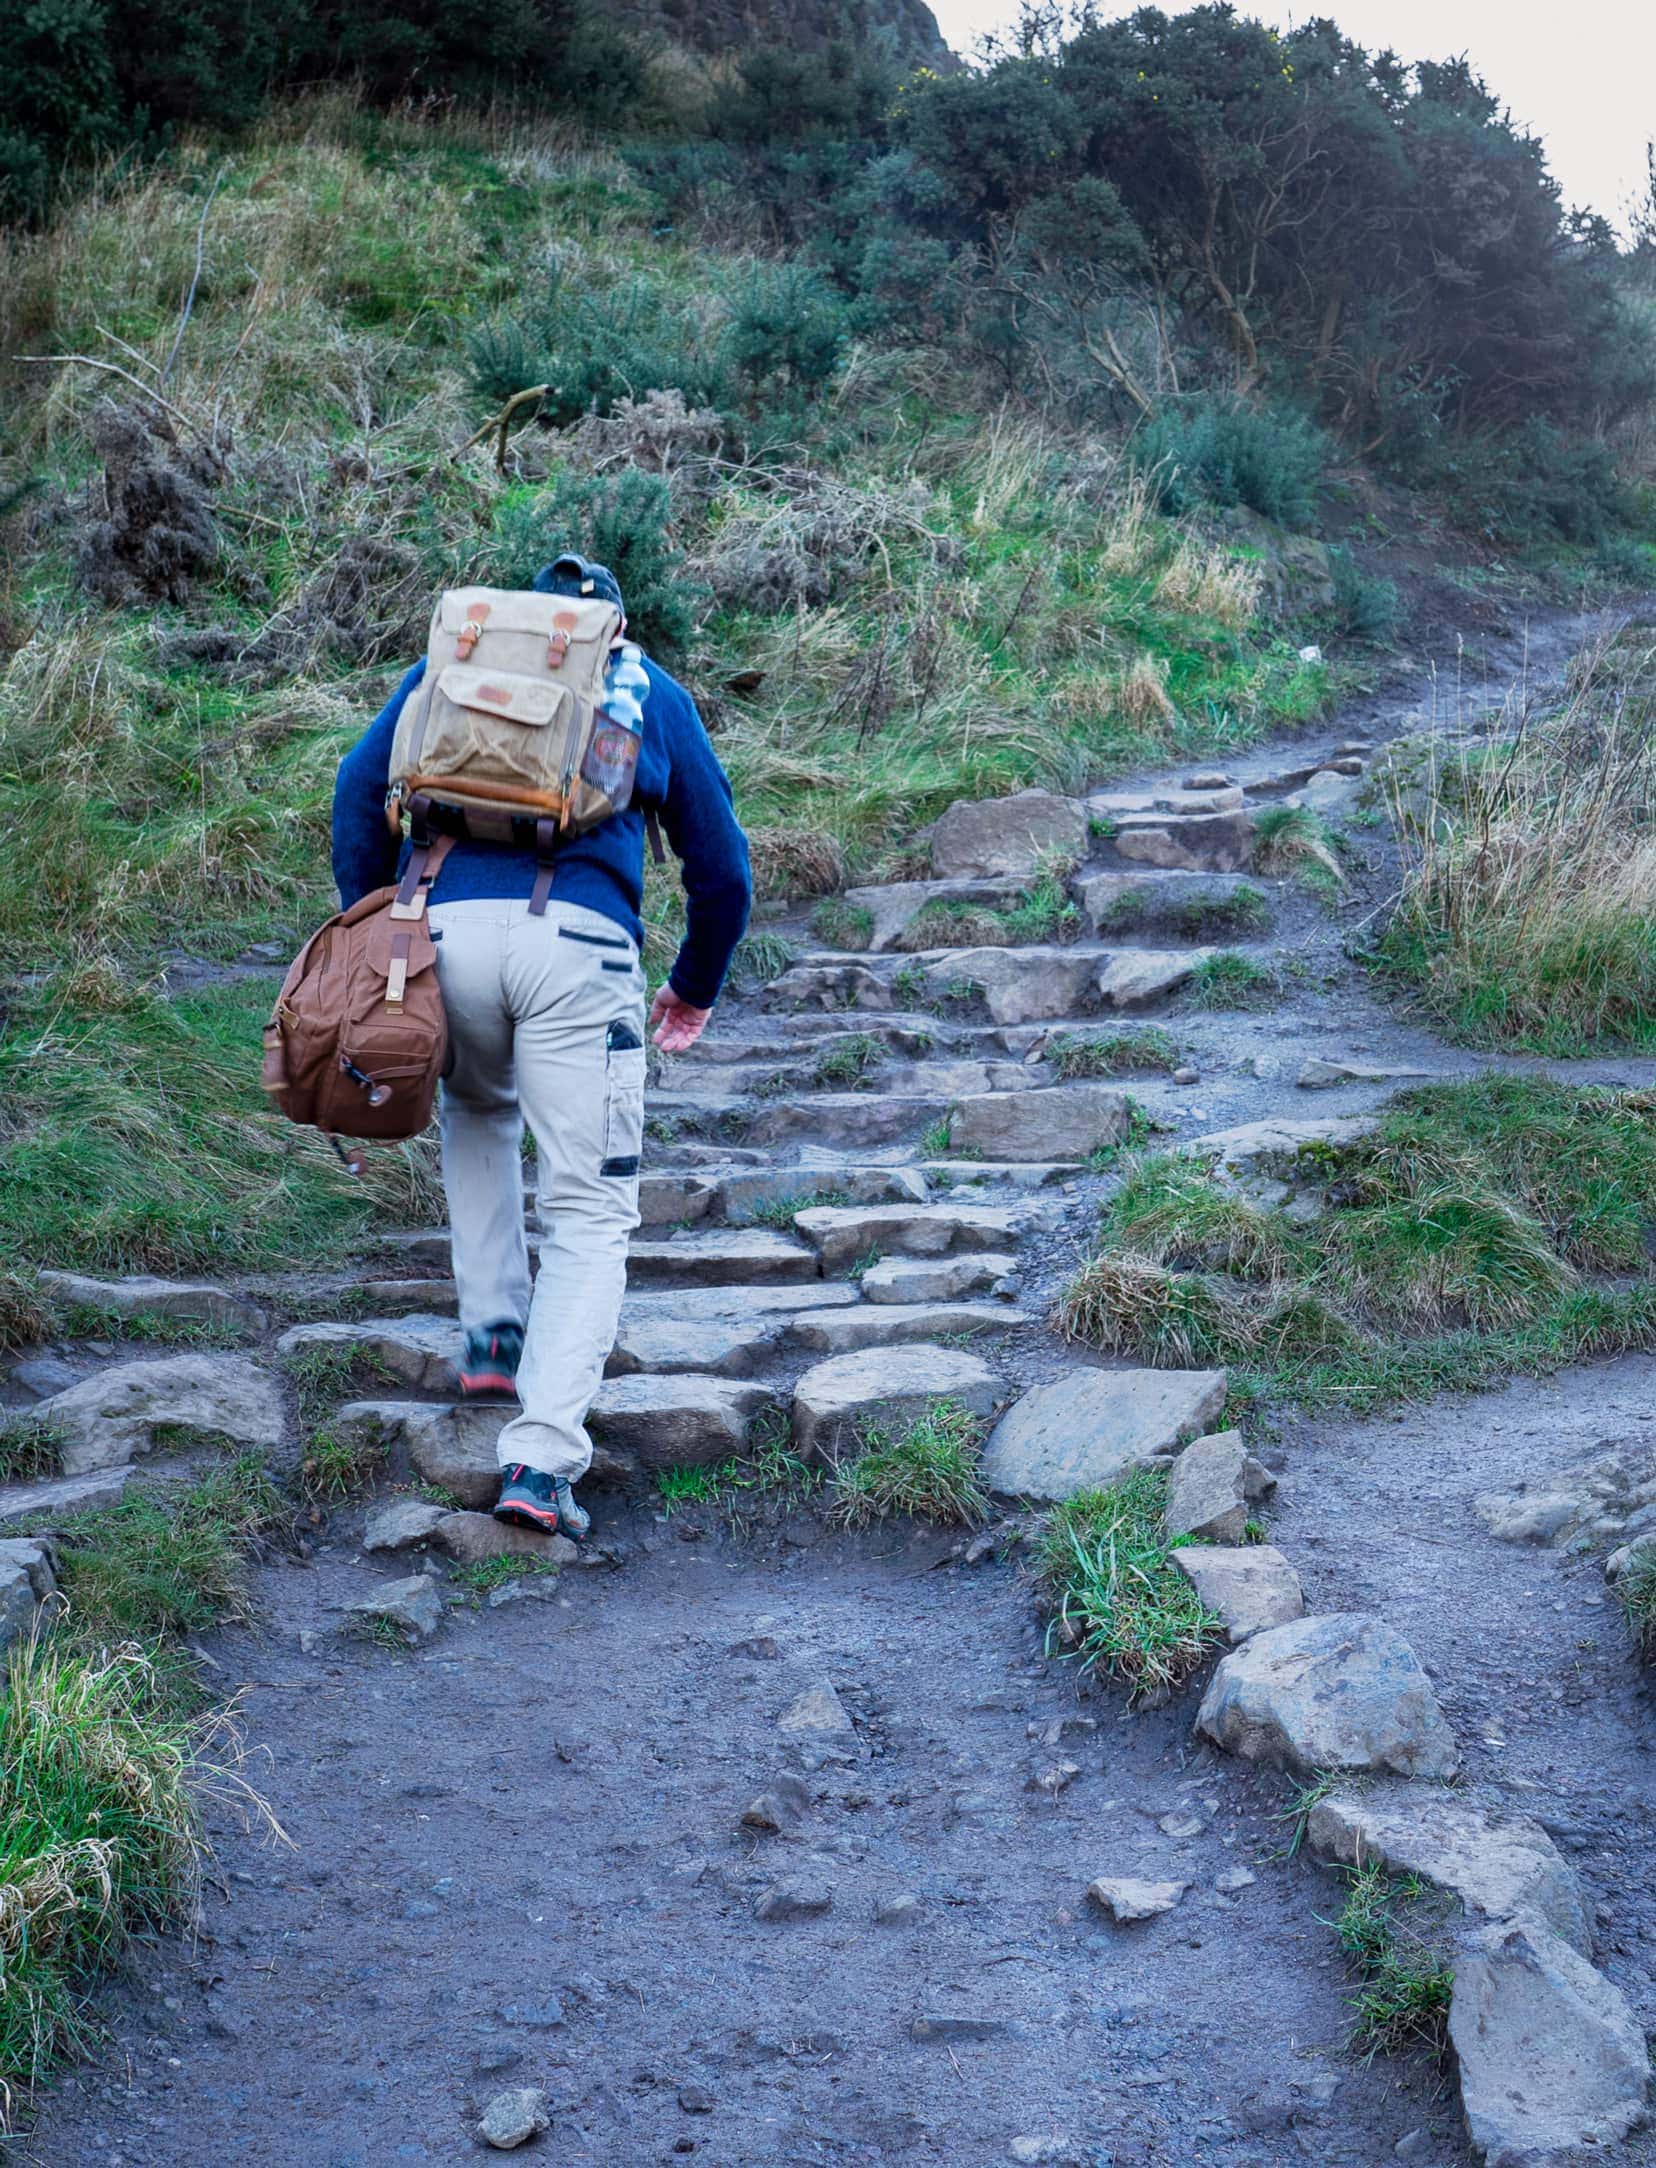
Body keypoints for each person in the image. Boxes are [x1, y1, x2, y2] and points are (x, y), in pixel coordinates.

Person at [331, 552, 751, 1541]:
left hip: (438, 935)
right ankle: (542, 1457)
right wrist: (690, 987)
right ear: (607, 623)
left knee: (478, 1106)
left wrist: (369, 929)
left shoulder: (445, 664)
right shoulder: (642, 683)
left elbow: (357, 790)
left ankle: (492, 1330)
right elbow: (721, 866)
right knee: (592, 1205)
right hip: (579, 947)